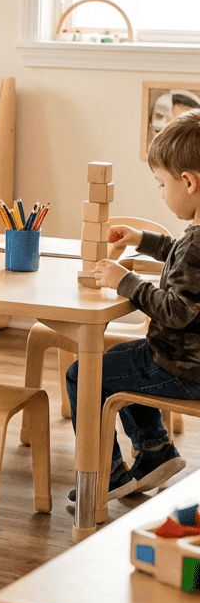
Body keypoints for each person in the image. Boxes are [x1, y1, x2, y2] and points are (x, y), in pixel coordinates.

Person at [66, 109, 200, 504]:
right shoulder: (194, 238)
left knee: (85, 374)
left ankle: (105, 477)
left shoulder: (197, 243)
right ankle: (155, 451)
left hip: (183, 365)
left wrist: (126, 282)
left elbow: (177, 309)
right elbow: (181, 258)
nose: (160, 193)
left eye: (161, 184)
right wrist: (142, 239)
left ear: (188, 182)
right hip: (187, 360)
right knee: (122, 361)